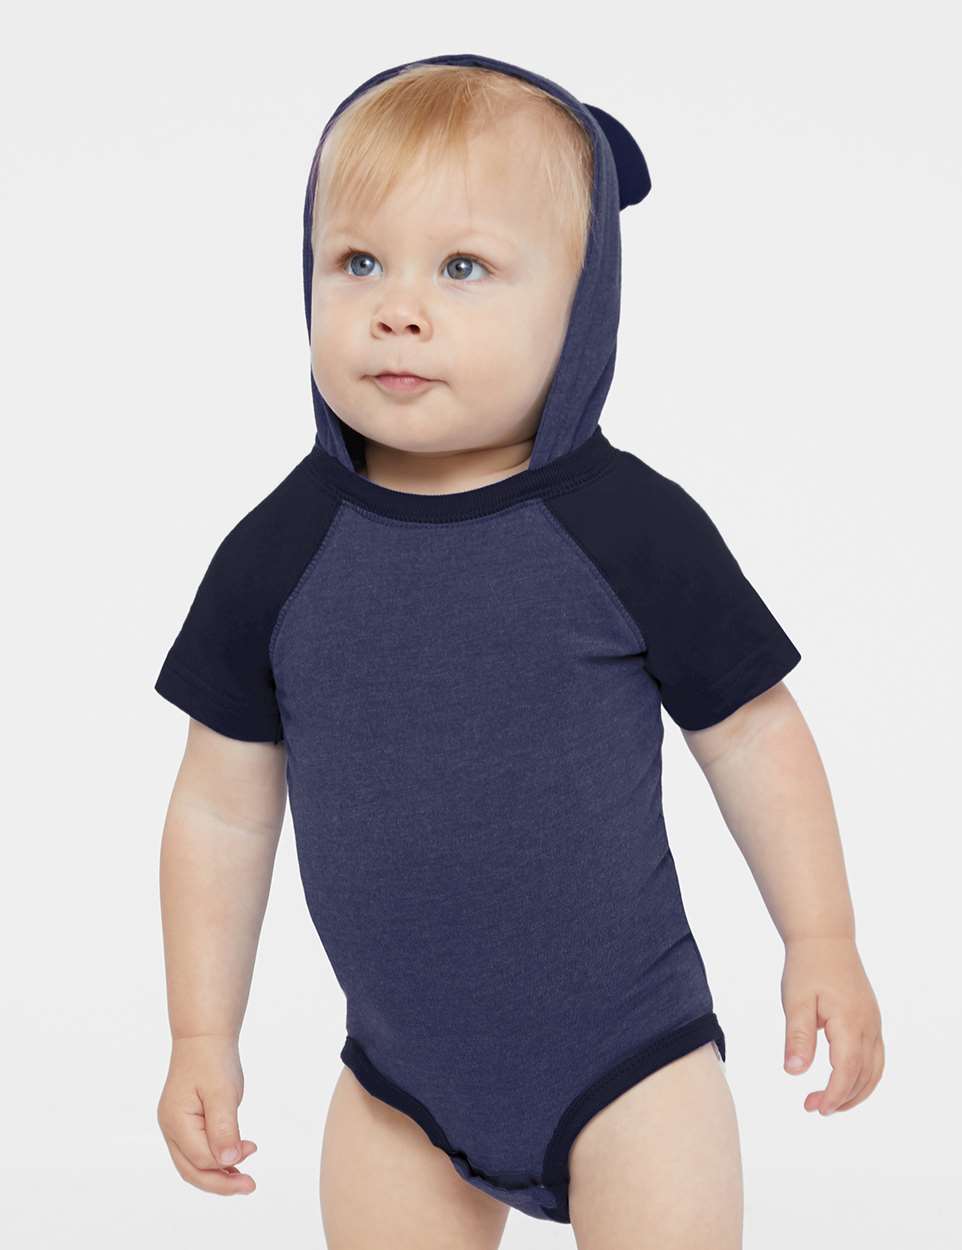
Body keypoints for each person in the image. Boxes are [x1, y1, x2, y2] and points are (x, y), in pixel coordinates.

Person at [153, 52, 884, 1250]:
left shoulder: (629, 529)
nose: (398, 306)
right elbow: (221, 809)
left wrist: (822, 938)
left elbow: (753, 734)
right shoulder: (276, 555)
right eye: (357, 261)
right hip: (396, 1086)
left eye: (461, 267)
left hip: (633, 1065)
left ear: (580, 304)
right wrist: (200, 1032)